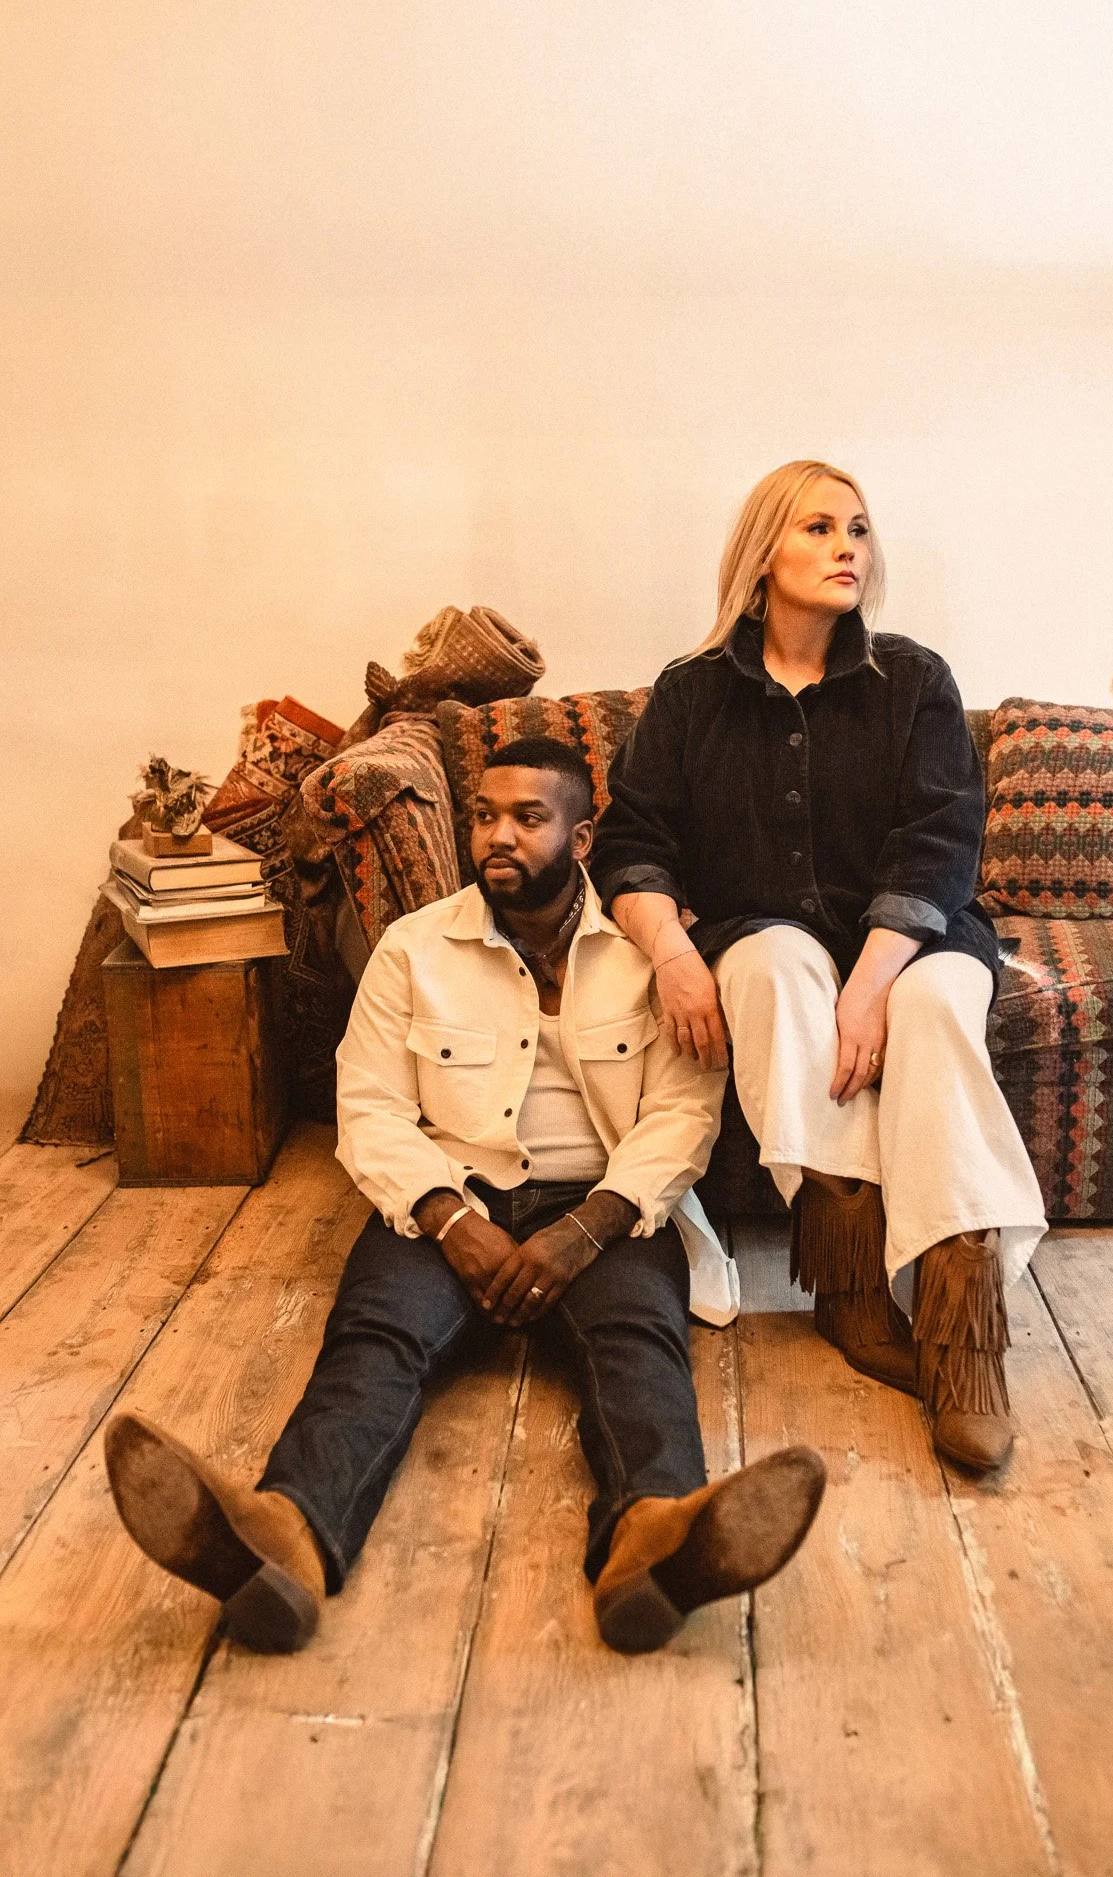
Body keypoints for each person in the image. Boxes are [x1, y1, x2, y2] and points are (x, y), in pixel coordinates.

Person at [105, 739, 825, 1656]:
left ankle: (653, 1543)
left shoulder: (649, 957)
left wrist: (587, 1229)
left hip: (606, 1208)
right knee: (375, 1342)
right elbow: (366, 1109)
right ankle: (281, 1539)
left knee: (639, 1346)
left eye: (528, 818)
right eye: (485, 814)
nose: (499, 835)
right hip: (451, 1196)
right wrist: (449, 1218)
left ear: (582, 834)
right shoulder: (415, 949)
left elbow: (684, 1114)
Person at [590, 461, 1048, 1472]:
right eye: (817, 527)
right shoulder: (691, 694)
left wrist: (874, 980)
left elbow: (940, 838)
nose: (847, 546)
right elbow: (630, 841)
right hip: (767, 933)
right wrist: (669, 948)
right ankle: (848, 1288)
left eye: (857, 528)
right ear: (763, 553)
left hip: (915, 935)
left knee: (931, 1007)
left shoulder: (913, 682)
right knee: (765, 965)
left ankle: (963, 1331)